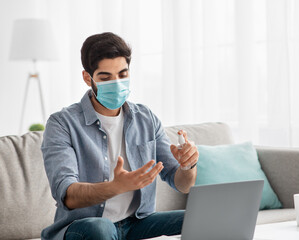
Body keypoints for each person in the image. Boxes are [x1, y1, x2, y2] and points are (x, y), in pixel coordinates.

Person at [41, 32, 199, 240]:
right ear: (88, 78)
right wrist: (115, 187)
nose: (116, 83)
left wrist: (188, 165)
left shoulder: (146, 118)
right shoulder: (62, 123)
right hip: (83, 226)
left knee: (196, 219)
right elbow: (68, 195)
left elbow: (182, 184)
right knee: (101, 229)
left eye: (122, 75)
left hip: (137, 223)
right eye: (106, 78)